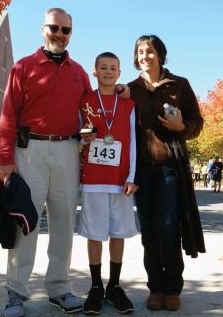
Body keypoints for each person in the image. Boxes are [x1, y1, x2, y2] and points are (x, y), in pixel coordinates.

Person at [0, 7, 92, 317]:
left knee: (64, 222)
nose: (60, 35)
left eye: (66, 30)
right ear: (43, 29)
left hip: (68, 151)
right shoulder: (23, 67)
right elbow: (8, 116)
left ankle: (59, 288)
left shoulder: (80, 72)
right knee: (25, 223)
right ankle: (16, 293)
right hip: (30, 152)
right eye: (54, 28)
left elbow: (93, 112)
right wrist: (5, 160)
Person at [128, 35, 205, 312]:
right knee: (148, 231)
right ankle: (155, 288)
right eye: (140, 51)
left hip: (170, 169)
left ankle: (172, 288)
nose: (145, 55)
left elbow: (198, 123)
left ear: (160, 54)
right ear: (136, 57)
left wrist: (181, 127)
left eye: (150, 50)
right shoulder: (130, 89)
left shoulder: (179, 85)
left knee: (169, 228)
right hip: (141, 172)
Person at [79, 52, 138, 314]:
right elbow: (78, 134)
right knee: (94, 233)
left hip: (120, 179)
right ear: (94, 71)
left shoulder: (128, 102)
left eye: (113, 68)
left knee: (118, 231)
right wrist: (84, 139)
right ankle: (95, 287)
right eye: (103, 67)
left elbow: (134, 141)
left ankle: (114, 286)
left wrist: (132, 176)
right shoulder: (86, 100)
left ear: (119, 71)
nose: (108, 71)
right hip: (93, 178)